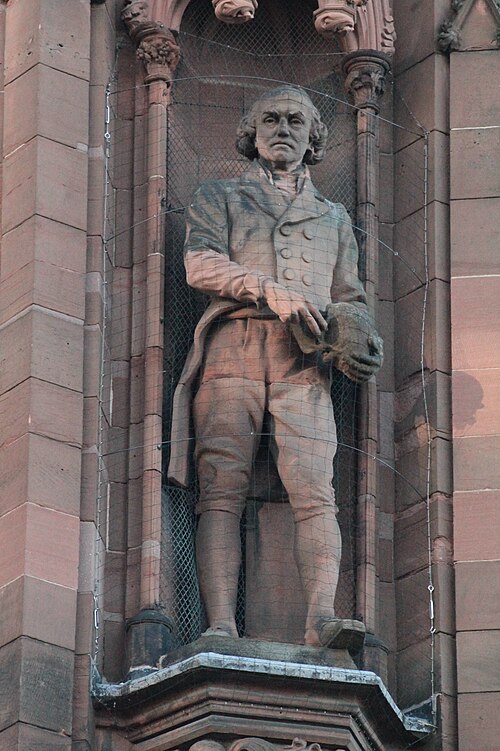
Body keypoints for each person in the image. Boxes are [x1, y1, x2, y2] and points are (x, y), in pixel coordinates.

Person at [168, 86, 382, 650]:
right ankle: (219, 626)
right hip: (232, 349)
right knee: (221, 489)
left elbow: (349, 294)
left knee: (316, 490)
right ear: (251, 131)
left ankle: (321, 620)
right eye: (270, 119)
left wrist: (355, 332)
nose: (282, 128)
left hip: (302, 362)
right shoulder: (221, 196)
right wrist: (269, 289)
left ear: (314, 138)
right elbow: (200, 263)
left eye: (295, 120)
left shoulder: (334, 218)